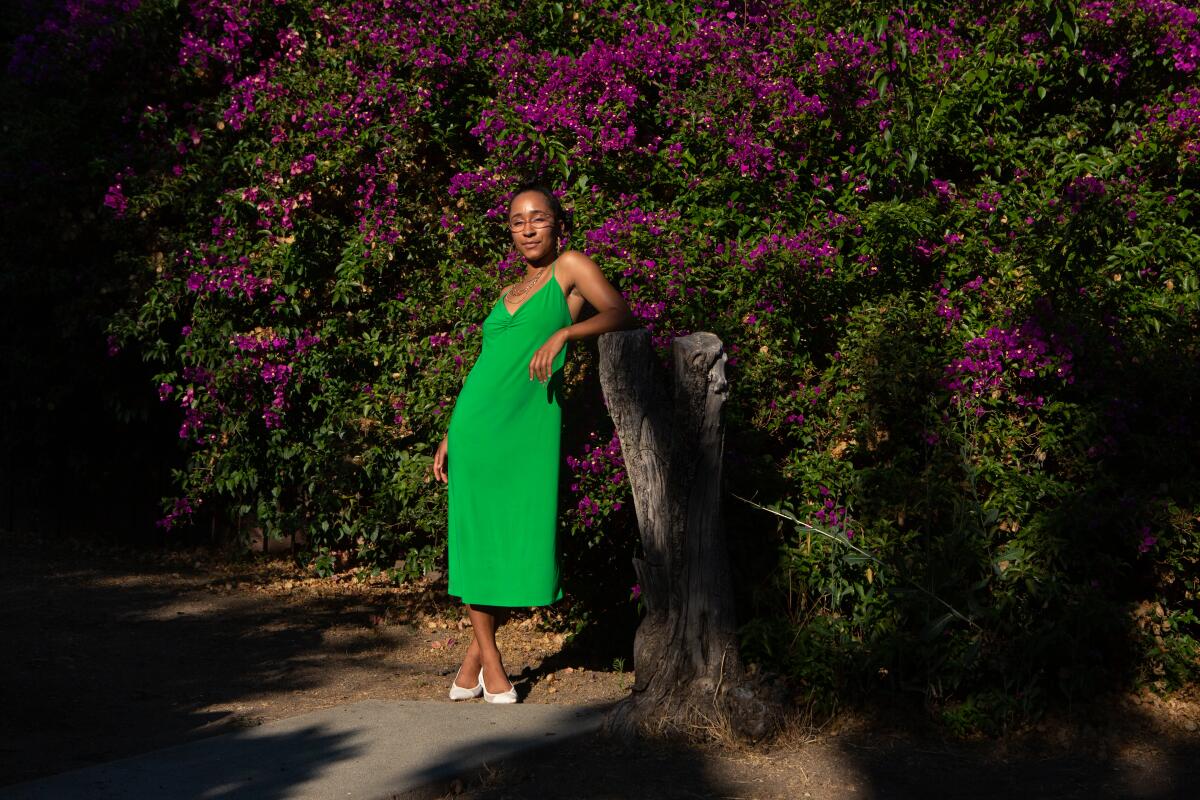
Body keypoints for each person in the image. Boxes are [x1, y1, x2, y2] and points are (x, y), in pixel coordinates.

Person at [430, 182, 635, 703]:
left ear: (556, 224)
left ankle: (469, 666)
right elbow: (484, 369)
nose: (526, 228)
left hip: (526, 429)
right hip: (477, 425)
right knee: (477, 543)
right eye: (518, 221)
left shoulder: (570, 268)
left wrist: (565, 334)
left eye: (537, 218)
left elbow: (620, 312)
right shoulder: (508, 292)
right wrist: (451, 431)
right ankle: (491, 665)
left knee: (516, 538)